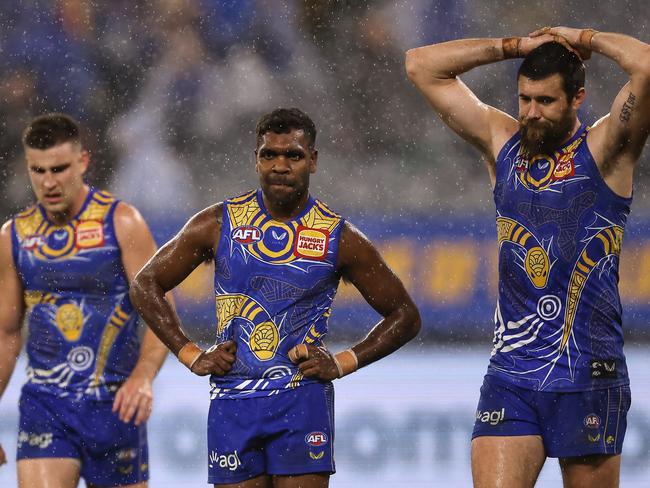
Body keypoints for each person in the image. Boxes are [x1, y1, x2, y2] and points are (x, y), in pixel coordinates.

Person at [406, 26, 650, 487]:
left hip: (588, 371)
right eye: (524, 100)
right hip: (513, 371)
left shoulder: (607, 150)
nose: (531, 114)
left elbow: (647, 66)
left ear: (577, 98)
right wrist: (514, 47)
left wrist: (586, 37)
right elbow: (421, 65)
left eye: (546, 102)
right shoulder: (504, 143)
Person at [129, 107, 421, 488]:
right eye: (270, 154)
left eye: (293, 155)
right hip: (233, 400)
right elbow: (144, 284)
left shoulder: (338, 237)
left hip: (302, 402)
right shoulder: (219, 224)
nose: (280, 165)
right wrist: (190, 354)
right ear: (256, 160)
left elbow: (405, 316)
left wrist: (343, 362)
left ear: (312, 161)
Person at [0, 113, 169, 488]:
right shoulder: (14, 236)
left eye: (59, 169)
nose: (48, 182)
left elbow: (162, 312)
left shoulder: (123, 223)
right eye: (38, 170)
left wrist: (142, 378)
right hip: (46, 401)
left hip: (114, 403)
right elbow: (6, 333)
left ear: (83, 162)